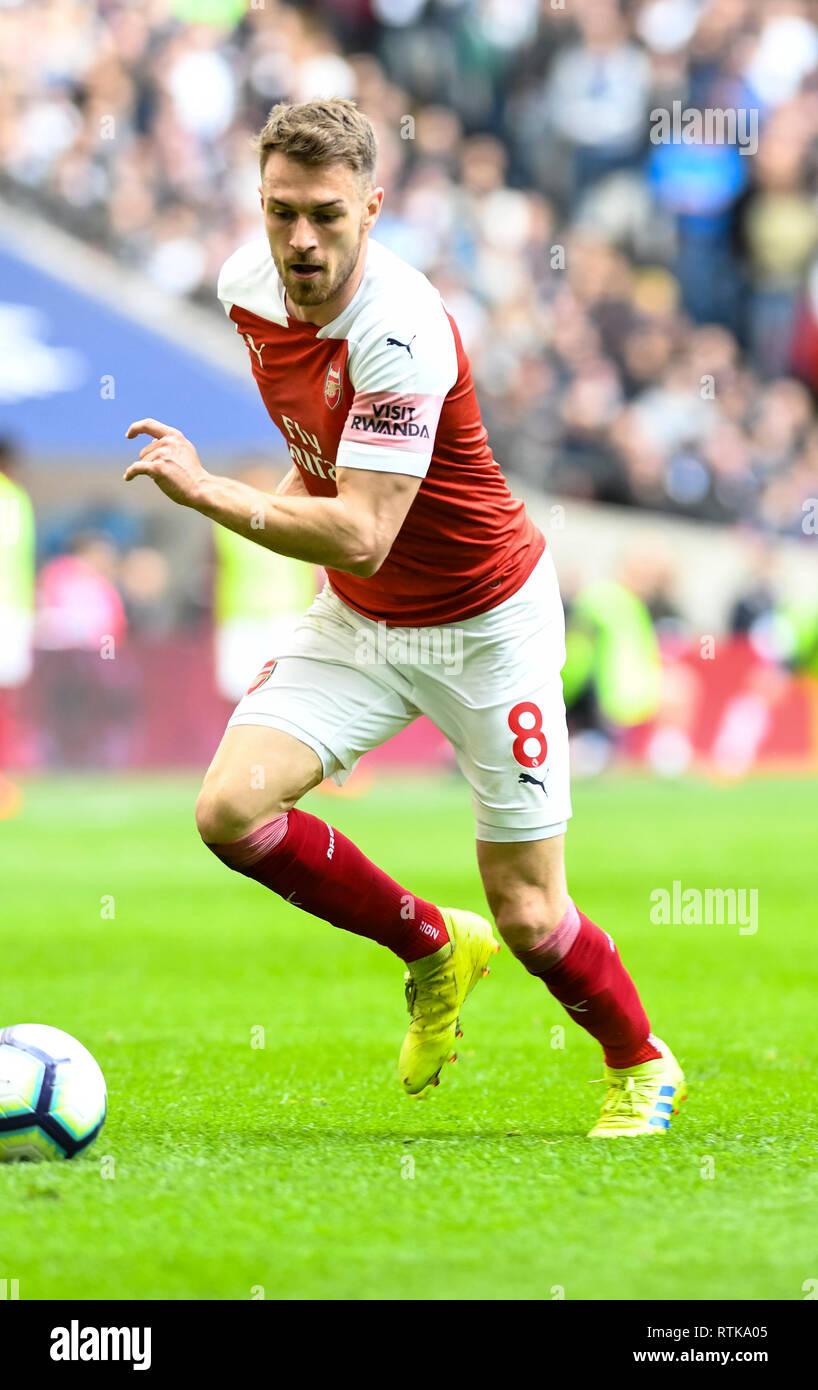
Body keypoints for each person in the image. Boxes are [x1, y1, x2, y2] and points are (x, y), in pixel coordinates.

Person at [124, 98, 684, 1137]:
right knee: (227, 811)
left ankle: (639, 1062)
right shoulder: (244, 286)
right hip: (360, 623)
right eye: (280, 211)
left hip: (485, 624)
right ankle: (429, 943)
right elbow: (328, 475)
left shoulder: (400, 327)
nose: (300, 240)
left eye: (326, 216)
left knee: (526, 911)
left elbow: (363, 530)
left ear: (372, 207)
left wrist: (211, 495)